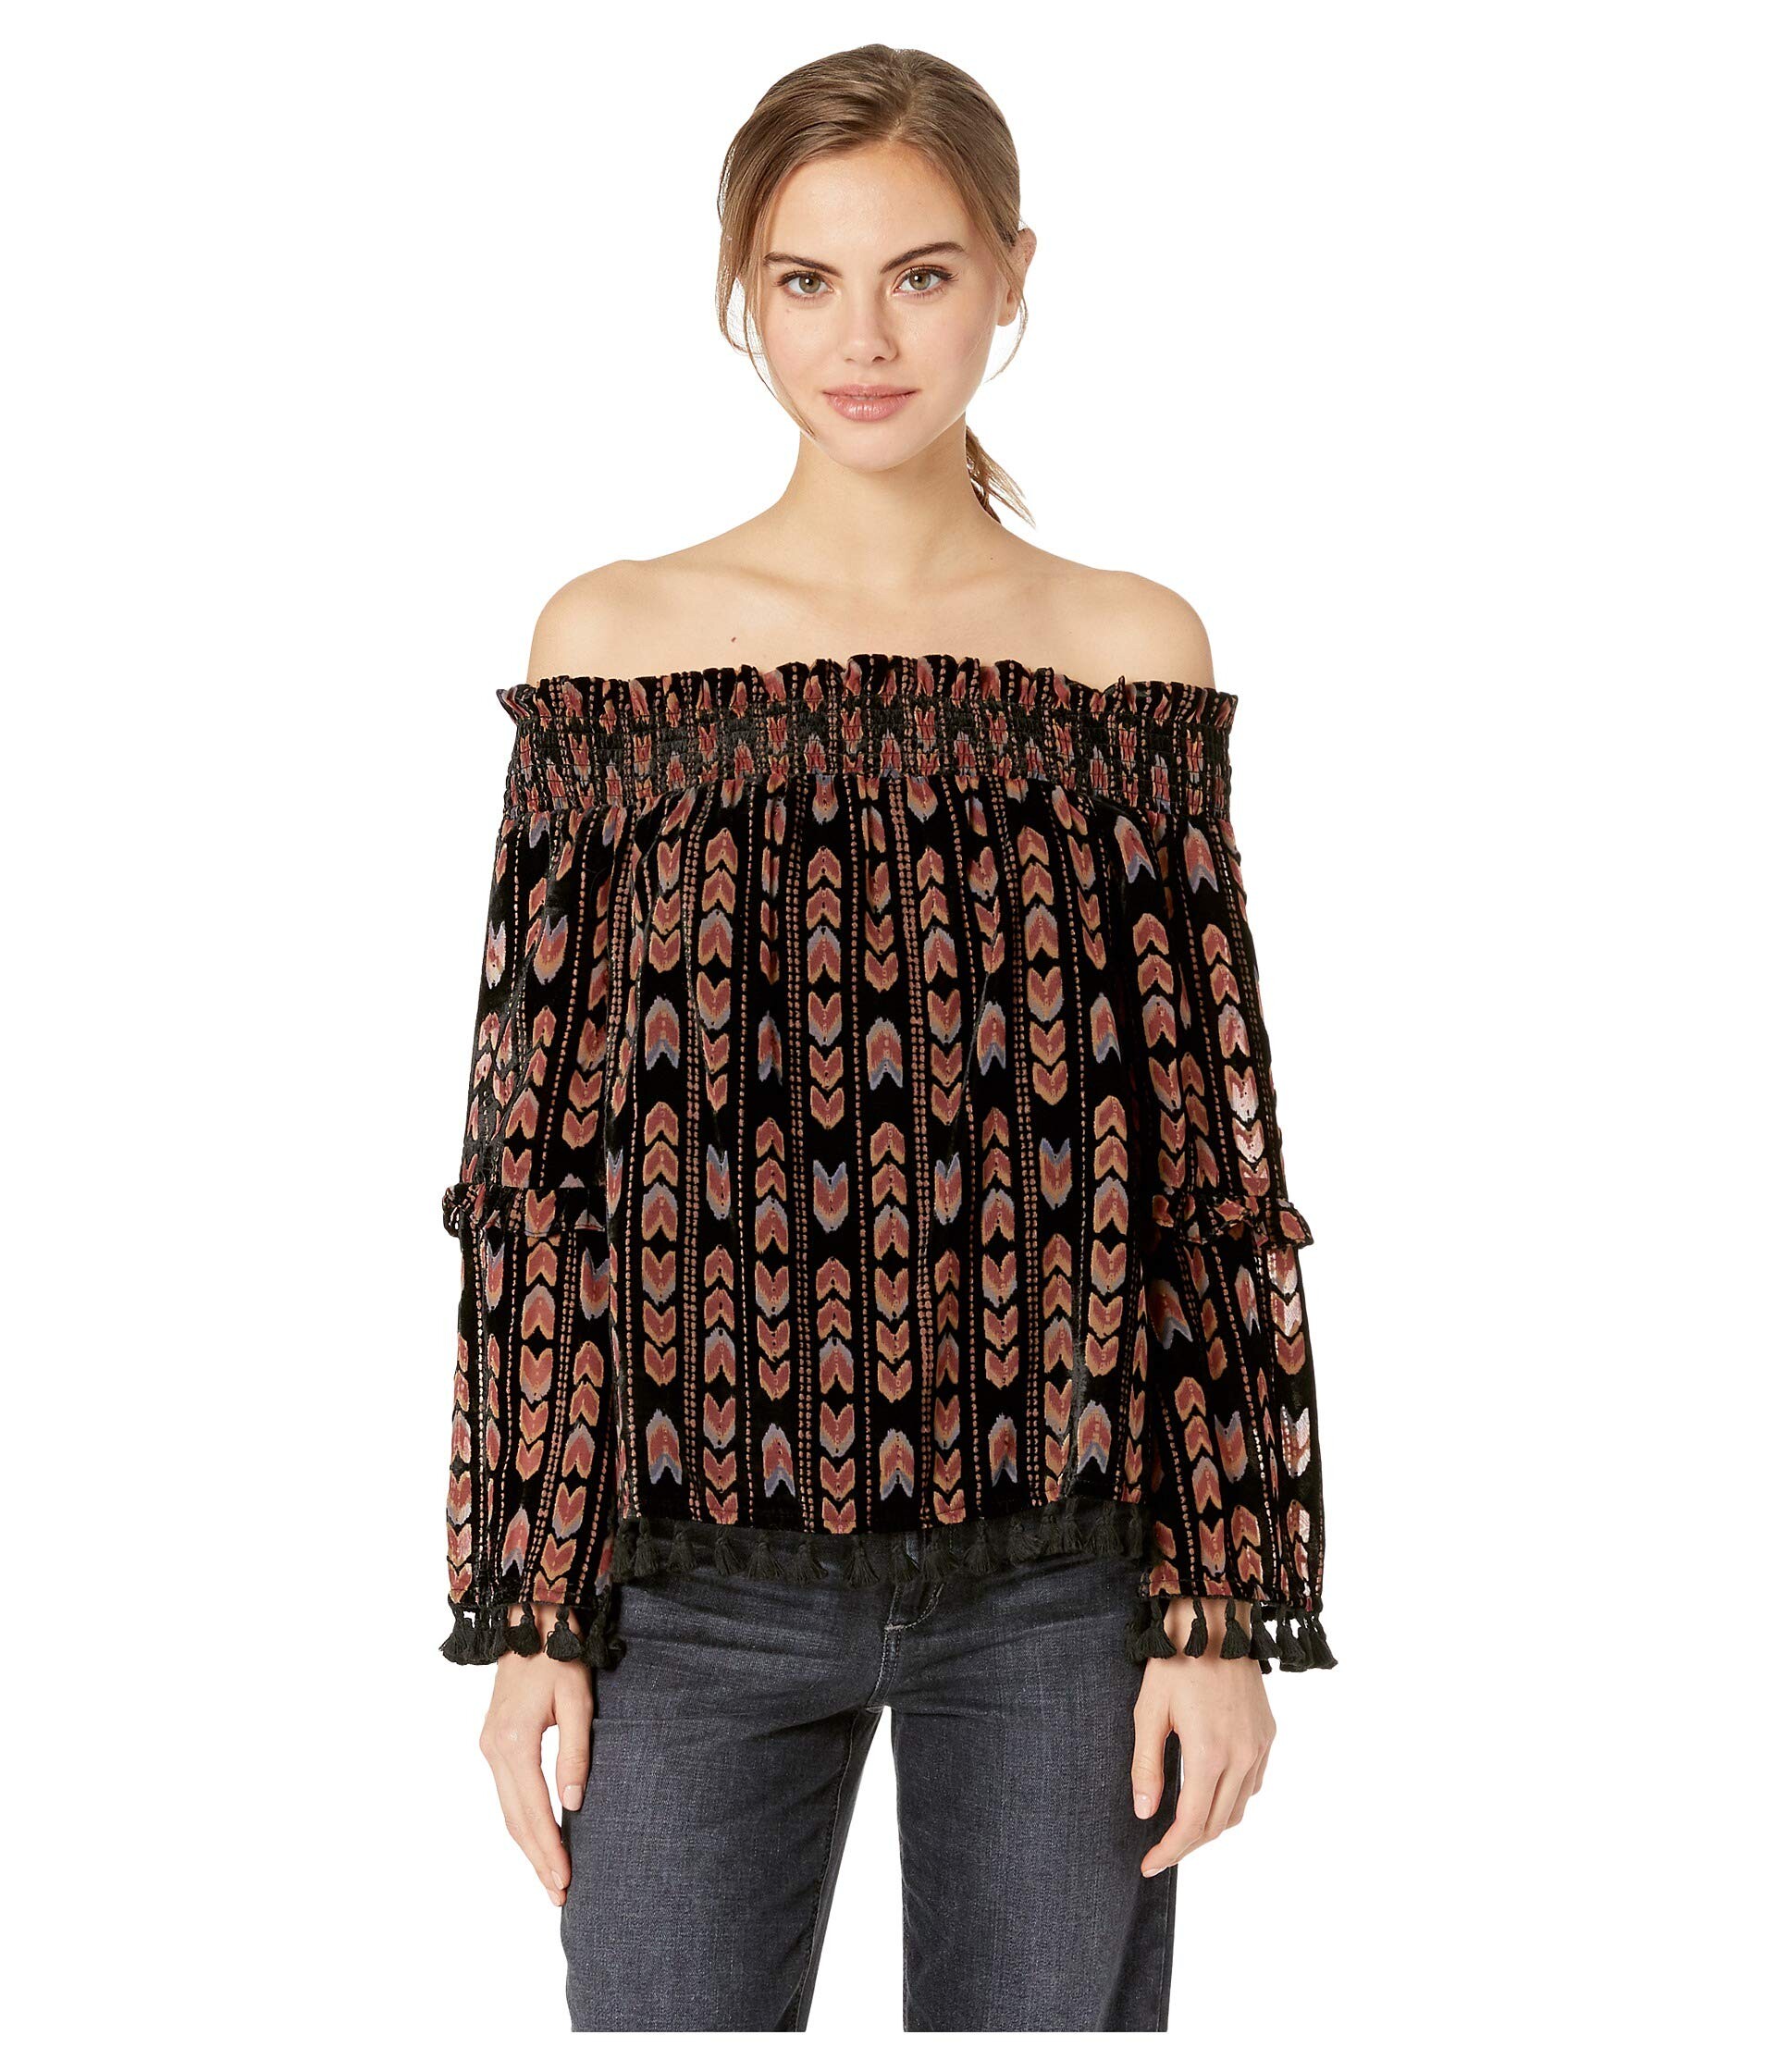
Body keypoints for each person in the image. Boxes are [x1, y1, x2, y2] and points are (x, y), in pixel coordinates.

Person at [437, 43, 1335, 2032]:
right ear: (741, 293)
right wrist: (534, 1603)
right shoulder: (615, 648)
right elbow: (535, 1164)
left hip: (1062, 1578)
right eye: (807, 280)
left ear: (1013, 276)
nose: (865, 339)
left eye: (922, 276)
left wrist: (1218, 1607)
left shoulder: (1125, 655)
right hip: (684, 1581)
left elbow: (1206, 1163)